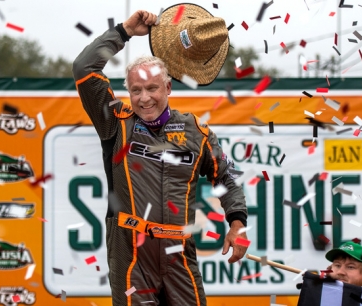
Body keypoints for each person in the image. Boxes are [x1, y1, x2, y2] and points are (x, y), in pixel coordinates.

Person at [72, 3, 248, 306]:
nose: (144, 98)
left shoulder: (197, 132)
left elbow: (226, 178)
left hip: (179, 252)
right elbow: (84, 68)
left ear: (168, 87)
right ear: (127, 91)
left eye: (152, 88)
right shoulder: (115, 122)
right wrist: (125, 31)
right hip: (131, 252)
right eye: (136, 89)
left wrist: (237, 225)